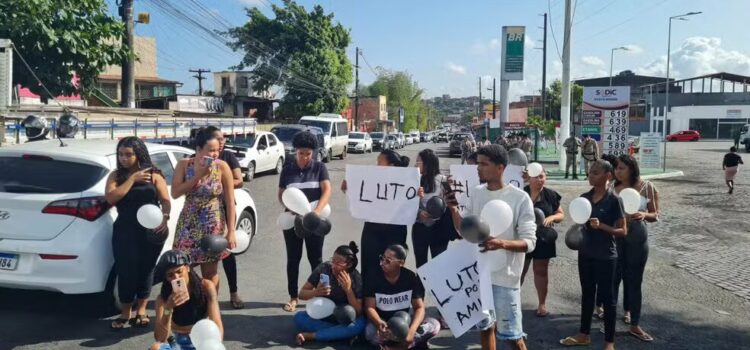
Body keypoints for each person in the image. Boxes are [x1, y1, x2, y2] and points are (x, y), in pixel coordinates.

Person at [447, 144, 537, 350]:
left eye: (484, 164)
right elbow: (464, 230)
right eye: (478, 163)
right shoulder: (477, 193)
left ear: (500, 168)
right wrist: (453, 209)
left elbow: (530, 243)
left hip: (506, 279)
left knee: (513, 337)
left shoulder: (520, 198)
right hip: (480, 277)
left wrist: (500, 244)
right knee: (486, 329)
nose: (478, 168)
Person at [105, 137, 172, 330]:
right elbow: (111, 198)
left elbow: (165, 200)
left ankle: (141, 311)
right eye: (120, 154)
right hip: (125, 230)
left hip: (152, 230)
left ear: (139, 154)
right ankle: (125, 312)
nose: (123, 158)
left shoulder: (154, 175)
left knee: (146, 269)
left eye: (128, 154)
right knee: (126, 270)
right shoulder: (116, 176)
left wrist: (165, 217)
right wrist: (132, 179)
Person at [560, 159, 626, 350]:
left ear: (608, 176)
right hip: (586, 254)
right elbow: (581, 224)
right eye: (590, 172)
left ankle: (609, 342)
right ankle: (583, 334)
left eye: (595, 172)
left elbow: (623, 231)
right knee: (587, 294)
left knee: (608, 299)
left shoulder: (614, 200)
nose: (591, 175)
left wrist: (603, 226)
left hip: (606, 256)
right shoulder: (584, 198)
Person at [171, 128, 237, 290]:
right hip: (188, 224)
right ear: (198, 149)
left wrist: (231, 231)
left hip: (212, 224)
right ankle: (181, 305)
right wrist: (198, 175)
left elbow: (229, 202)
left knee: (210, 272)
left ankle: (210, 307)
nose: (215, 154)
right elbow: (175, 193)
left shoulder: (222, 167)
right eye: (210, 150)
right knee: (180, 270)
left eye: (216, 151)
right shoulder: (184, 165)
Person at [279, 131, 332, 312]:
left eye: (308, 153)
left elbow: (327, 191)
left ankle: (319, 295)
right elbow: (282, 194)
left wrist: (315, 213)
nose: (304, 157)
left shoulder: (319, 168)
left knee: (316, 259)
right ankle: (293, 297)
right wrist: (291, 207)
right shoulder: (287, 170)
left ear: (313, 153)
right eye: (301, 153)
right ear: (296, 151)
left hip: (314, 221)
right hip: (293, 221)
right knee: (293, 259)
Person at [341, 149, 411, 282]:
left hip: (395, 231)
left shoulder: (406, 182)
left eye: (379, 162)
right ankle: (369, 297)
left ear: (391, 166)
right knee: (370, 263)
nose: (376, 166)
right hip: (372, 229)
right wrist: (349, 190)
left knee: (391, 265)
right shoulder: (370, 179)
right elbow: (361, 200)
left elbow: (410, 204)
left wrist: (417, 195)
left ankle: (390, 297)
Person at [612, 155, 659, 342]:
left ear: (632, 169)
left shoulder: (647, 187)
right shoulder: (612, 188)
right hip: (616, 239)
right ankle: (610, 322)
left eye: (622, 168)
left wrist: (644, 214)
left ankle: (635, 324)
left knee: (634, 280)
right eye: (616, 168)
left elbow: (656, 214)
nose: (618, 171)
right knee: (614, 279)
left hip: (637, 241)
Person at [198, 126, 245, 309]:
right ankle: (199, 297)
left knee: (226, 255)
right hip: (200, 216)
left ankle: (233, 293)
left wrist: (220, 182)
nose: (222, 141)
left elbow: (239, 180)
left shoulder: (226, 158)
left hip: (223, 210)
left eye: (223, 138)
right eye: (218, 138)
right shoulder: (197, 161)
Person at [363, 245, 440, 349]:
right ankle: (403, 345)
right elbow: (369, 307)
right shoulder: (373, 277)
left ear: (401, 263)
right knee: (369, 332)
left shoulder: (410, 278)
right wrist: (379, 323)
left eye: (388, 261)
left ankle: (397, 345)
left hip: (404, 324)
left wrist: (411, 332)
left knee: (434, 325)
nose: (382, 263)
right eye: (382, 258)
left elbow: (419, 307)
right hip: (383, 324)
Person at [294, 242, 366, 346]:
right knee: (299, 317)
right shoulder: (324, 268)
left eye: (338, 263)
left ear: (349, 264)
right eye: (333, 261)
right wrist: (316, 292)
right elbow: (301, 294)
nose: (333, 266)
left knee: (360, 324)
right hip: (325, 316)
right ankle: (339, 333)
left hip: (345, 318)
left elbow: (358, 312)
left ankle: (311, 335)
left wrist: (348, 290)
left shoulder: (356, 277)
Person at [150, 250, 224, 350]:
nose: (176, 277)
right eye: (170, 275)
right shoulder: (163, 298)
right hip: (177, 341)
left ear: (188, 268)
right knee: (155, 347)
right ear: (166, 278)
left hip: (201, 338)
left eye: (179, 271)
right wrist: (169, 308)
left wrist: (213, 344)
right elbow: (160, 338)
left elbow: (217, 324)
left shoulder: (206, 287)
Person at [520, 166, 564, 317]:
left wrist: (552, 217)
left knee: (541, 271)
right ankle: (512, 302)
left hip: (544, 239)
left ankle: (542, 304)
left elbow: (560, 214)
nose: (540, 180)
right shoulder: (521, 193)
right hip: (522, 238)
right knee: (519, 271)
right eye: (536, 177)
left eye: (542, 176)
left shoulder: (550, 195)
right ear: (529, 178)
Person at [412, 149, 453, 268]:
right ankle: (421, 287)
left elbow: (452, 204)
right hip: (420, 228)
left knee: (439, 264)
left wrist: (451, 188)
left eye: (418, 161)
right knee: (421, 265)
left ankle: (437, 287)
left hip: (439, 229)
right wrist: (419, 213)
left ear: (427, 163)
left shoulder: (444, 180)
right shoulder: (413, 180)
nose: (415, 164)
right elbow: (406, 204)